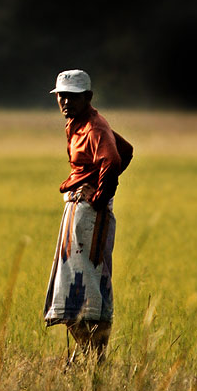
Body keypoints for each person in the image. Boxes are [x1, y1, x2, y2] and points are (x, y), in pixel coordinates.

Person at [43, 69, 133, 363]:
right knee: (78, 286)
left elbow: (114, 158)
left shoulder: (94, 127)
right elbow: (126, 149)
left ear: (88, 98)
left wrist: (98, 197)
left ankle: (92, 355)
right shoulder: (79, 123)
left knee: (79, 288)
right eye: (62, 97)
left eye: (73, 97)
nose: (66, 102)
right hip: (80, 209)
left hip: (88, 213)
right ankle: (91, 357)